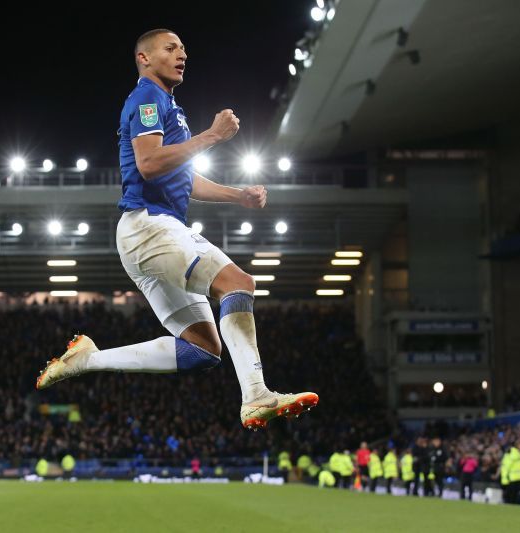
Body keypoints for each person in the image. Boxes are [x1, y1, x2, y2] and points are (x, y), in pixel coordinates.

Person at [35, 28, 318, 430]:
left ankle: (88, 359)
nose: (181, 54)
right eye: (170, 48)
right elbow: (149, 163)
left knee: (203, 349)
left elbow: (184, 180)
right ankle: (256, 394)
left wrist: (238, 195)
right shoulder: (147, 97)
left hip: (145, 234)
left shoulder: (169, 106)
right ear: (144, 59)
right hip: (150, 226)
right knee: (238, 283)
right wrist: (212, 136)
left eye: (184, 48)